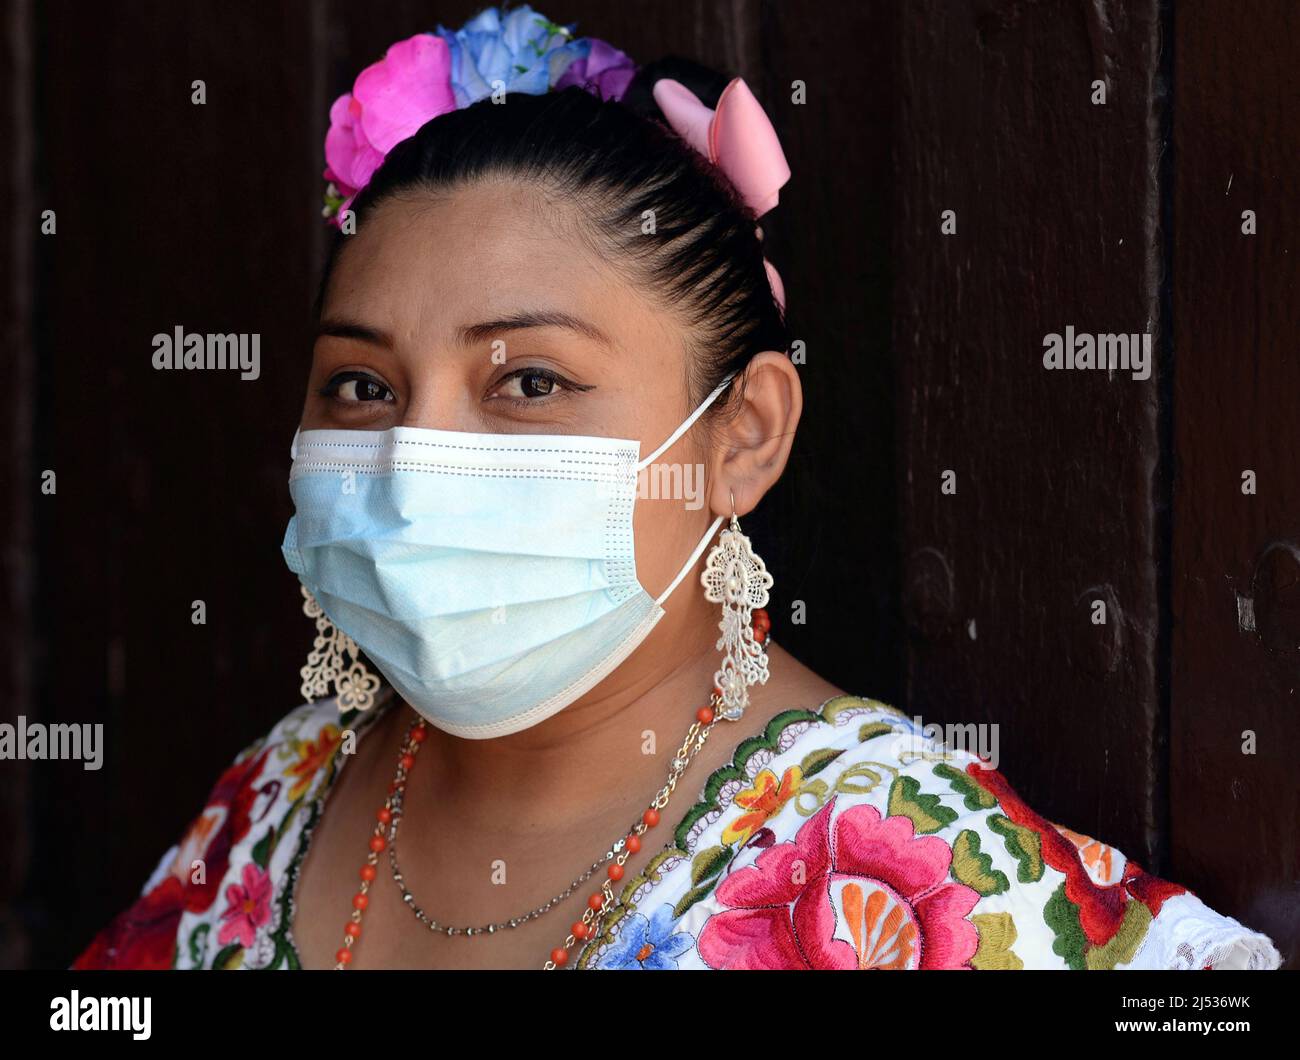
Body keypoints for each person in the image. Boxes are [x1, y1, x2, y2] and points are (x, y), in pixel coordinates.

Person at [74, 5, 1281, 972]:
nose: (409, 457)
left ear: (742, 436)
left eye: (529, 379)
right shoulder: (280, 797)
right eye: (358, 386)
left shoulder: (905, 872)